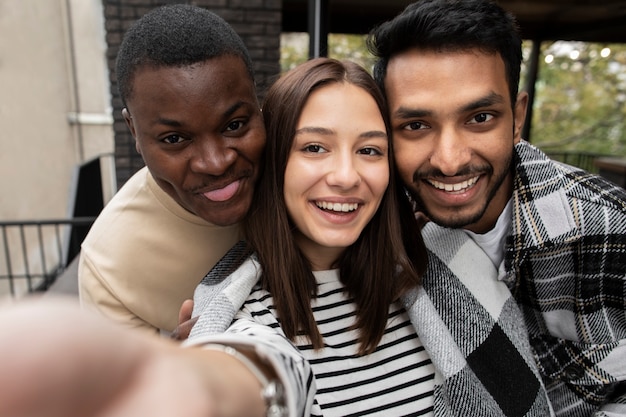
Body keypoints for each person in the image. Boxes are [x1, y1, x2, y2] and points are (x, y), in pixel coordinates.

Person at [0, 58, 551, 417]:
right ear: (276, 161)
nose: (345, 175)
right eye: (314, 148)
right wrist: (204, 388)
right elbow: (252, 368)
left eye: (369, 149)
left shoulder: (448, 263)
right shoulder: (240, 313)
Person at [367, 0, 626, 415]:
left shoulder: (609, 227)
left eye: (480, 117)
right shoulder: (372, 228)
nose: (449, 160)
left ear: (518, 118)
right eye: (416, 126)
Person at [77, 4, 266, 334]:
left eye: (234, 125)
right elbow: (130, 384)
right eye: (175, 138)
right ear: (134, 132)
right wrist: (178, 369)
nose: (216, 162)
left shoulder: (307, 178)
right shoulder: (111, 266)